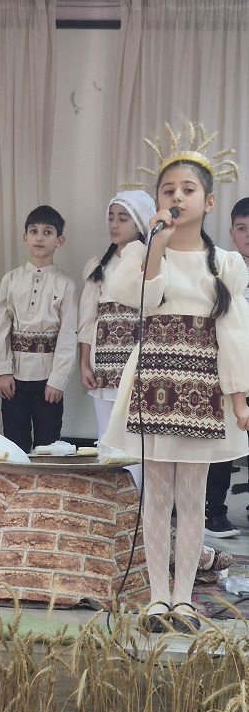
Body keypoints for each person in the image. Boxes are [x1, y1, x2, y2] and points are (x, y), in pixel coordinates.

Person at [101, 150, 249, 630]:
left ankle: (183, 597)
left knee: (192, 497)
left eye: (188, 190)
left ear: (208, 201)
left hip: (202, 386)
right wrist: (156, 245)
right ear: (157, 201)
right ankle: (157, 597)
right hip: (154, 381)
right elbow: (137, 299)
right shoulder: (141, 253)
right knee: (157, 497)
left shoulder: (224, 263)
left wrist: (239, 396)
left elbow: (233, 332)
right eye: (169, 191)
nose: (178, 197)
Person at [78, 189, 156, 489]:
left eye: (123, 218)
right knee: (107, 436)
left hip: (139, 362)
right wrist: (85, 363)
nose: (114, 224)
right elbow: (87, 319)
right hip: (104, 362)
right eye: (111, 217)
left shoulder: (150, 262)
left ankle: (135, 503)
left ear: (140, 222)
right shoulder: (97, 265)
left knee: (135, 437)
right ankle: (110, 503)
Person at [0, 205, 77, 454]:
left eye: (47, 232)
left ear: (59, 240)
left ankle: (45, 483)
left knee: (47, 446)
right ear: (25, 237)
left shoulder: (66, 284)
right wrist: (3, 370)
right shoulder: (10, 280)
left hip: (47, 379)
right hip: (14, 378)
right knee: (14, 444)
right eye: (34, 231)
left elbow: (68, 334)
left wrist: (58, 380)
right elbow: (1, 327)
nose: (40, 237)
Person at [204, 196, 249, 537]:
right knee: (222, 444)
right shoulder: (220, 272)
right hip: (229, 370)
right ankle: (214, 512)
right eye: (242, 228)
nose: (248, 235)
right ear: (231, 232)